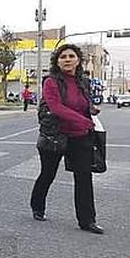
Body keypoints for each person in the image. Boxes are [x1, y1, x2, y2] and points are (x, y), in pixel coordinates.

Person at [29, 44, 103, 234]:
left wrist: (91, 110)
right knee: (48, 174)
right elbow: (56, 108)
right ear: (57, 62)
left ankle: (87, 221)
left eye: (71, 56)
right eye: (63, 57)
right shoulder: (51, 82)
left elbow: (81, 104)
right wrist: (84, 121)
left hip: (80, 136)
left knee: (84, 178)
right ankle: (37, 206)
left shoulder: (83, 82)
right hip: (55, 136)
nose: (67, 60)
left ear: (78, 60)